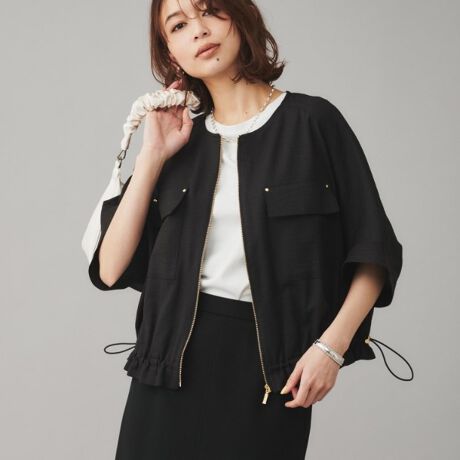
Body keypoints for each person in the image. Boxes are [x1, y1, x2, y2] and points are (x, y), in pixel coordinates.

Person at [87, 0, 412, 458]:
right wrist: (152, 156)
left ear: (240, 18)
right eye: (178, 25)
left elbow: (373, 249)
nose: (198, 30)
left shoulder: (312, 122)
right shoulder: (179, 146)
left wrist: (331, 349)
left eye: (210, 11)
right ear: (170, 53)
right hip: (166, 365)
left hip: (268, 366)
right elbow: (110, 268)